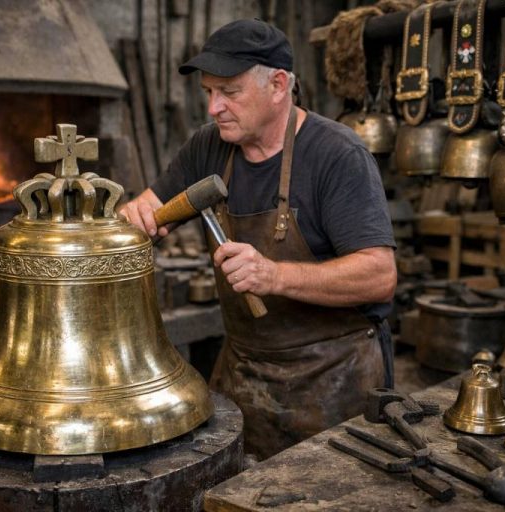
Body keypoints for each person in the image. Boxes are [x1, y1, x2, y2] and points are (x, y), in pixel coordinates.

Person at [120, 18, 397, 460]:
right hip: (243, 376)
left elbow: (379, 276)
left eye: (229, 92)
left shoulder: (338, 155)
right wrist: (134, 216)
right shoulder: (207, 148)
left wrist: (273, 274)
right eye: (209, 93)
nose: (214, 108)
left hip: (334, 382)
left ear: (279, 85)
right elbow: (149, 209)